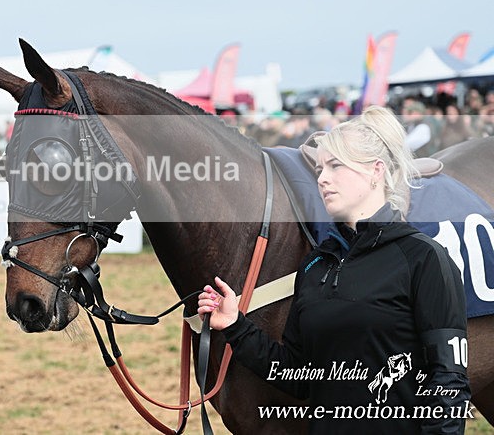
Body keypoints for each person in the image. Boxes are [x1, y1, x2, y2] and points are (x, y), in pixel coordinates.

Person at [198, 106, 470, 434]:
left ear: (376, 171)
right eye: (320, 168)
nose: (323, 178)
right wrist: (235, 326)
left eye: (336, 165)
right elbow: (298, 376)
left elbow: (449, 385)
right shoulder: (315, 265)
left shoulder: (423, 258)